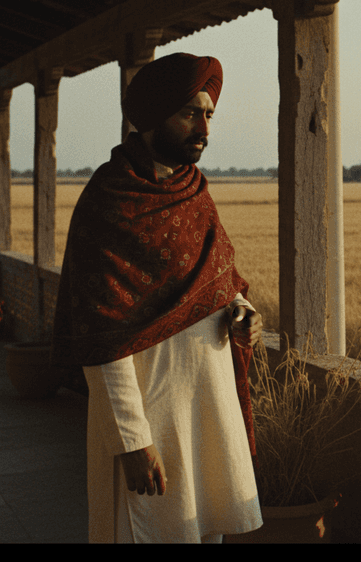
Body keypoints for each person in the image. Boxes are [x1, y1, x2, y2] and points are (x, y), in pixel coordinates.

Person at [50, 53, 264, 543]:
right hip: (149, 418)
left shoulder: (195, 193)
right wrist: (131, 440)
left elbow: (221, 282)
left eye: (209, 115)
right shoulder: (108, 200)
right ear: (152, 115)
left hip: (209, 410)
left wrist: (243, 314)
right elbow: (99, 336)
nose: (203, 128)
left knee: (206, 529)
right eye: (190, 113)